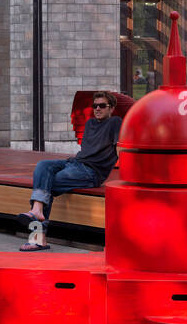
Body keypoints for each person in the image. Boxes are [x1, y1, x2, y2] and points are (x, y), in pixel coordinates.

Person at [17, 92, 120, 251]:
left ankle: (38, 236)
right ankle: (37, 210)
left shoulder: (115, 122)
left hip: (91, 172)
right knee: (42, 166)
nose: (97, 109)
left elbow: (121, 147)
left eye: (102, 106)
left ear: (112, 108)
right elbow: (85, 151)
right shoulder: (91, 123)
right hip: (75, 163)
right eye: (95, 106)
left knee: (45, 183)